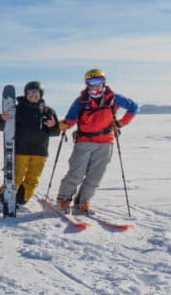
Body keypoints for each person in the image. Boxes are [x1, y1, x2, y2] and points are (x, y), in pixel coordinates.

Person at [55, 69, 138, 212]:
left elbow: (133, 107)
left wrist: (121, 123)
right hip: (84, 141)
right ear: (87, 84)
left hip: (106, 142)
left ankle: (83, 201)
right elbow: (71, 119)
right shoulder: (81, 101)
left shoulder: (114, 98)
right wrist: (64, 125)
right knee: (77, 172)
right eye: (91, 83)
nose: (95, 86)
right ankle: (64, 198)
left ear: (103, 82)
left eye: (98, 82)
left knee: (96, 174)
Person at [0, 81, 60, 206]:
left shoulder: (48, 111)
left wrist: (53, 126)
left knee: (32, 180)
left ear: (41, 94)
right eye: (30, 92)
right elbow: (0, 126)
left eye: (36, 92)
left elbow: (55, 132)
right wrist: (2, 119)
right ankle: (3, 199)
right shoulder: (17, 109)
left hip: (40, 152)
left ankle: (19, 202)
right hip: (20, 151)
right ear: (25, 94)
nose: (33, 95)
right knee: (15, 178)